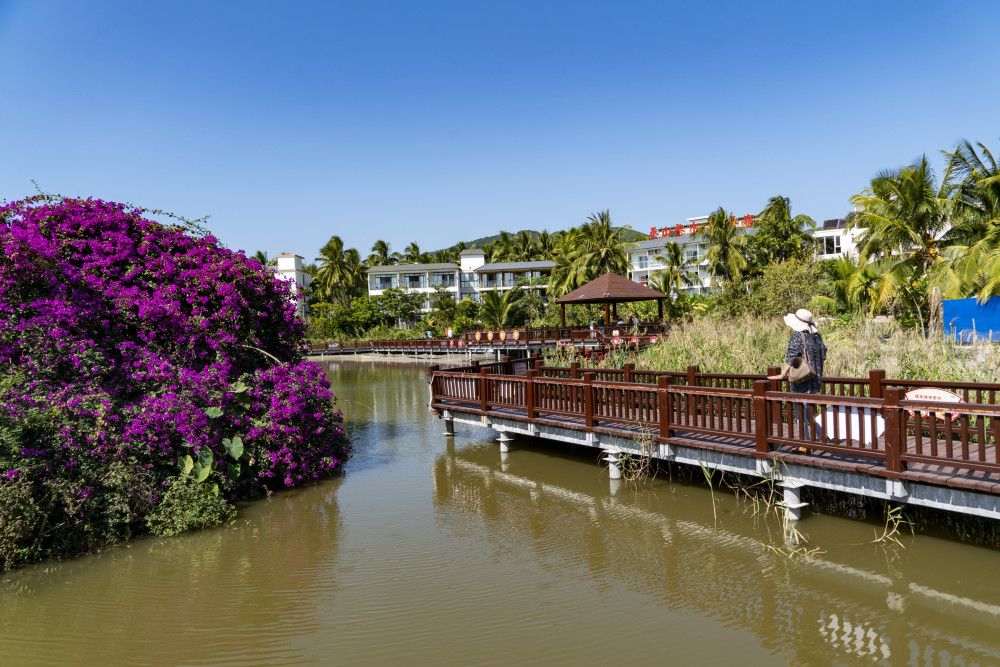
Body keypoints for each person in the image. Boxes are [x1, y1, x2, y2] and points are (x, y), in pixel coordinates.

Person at [768, 308, 827, 446]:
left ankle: (804, 444)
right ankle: (822, 435)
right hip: (815, 380)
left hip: (802, 380)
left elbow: (791, 356)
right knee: (808, 412)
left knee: (800, 412)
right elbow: (823, 353)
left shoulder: (797, 336)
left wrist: (782, 374)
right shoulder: (817, 336)